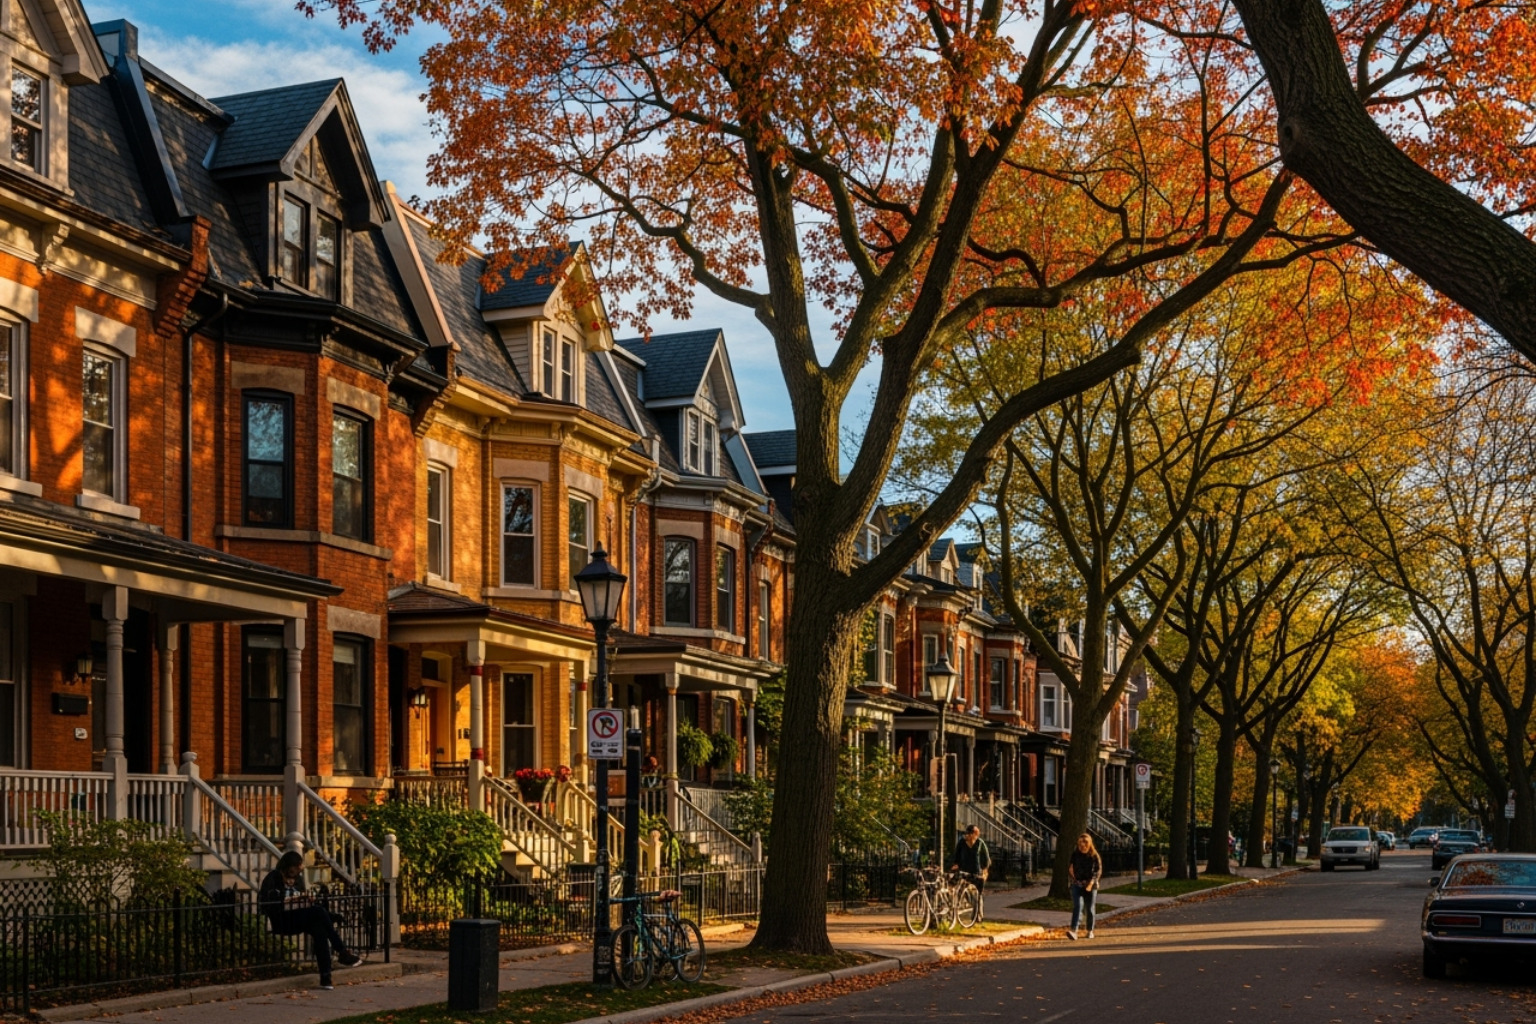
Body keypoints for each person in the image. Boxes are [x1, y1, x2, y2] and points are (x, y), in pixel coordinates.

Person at [258, 850, 365, 989]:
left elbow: (305, 902)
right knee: (318, 912)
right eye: (294, 867)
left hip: (299, 917)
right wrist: (290, 900)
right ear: (287, 866)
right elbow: (268, 904)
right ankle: (342, 952)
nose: (296, 871)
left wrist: (324, 911)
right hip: (281, 919)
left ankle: (326, 978)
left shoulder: (299, 880)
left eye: (298, 868)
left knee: (320, 930)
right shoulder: (273, 878)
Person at [1067, 832, 1102, 940]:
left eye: (1085, 843)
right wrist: (1073, 878)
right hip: (1077, 884)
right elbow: (1071, 867)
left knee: (1090, 908)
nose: (1082, 846)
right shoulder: (1075, 854)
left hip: (1090, 884)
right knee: (1078, 906)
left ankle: (1090, 930)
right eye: (1080, 843)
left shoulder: (1094, 855)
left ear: (1089, 844)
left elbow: (1097, 871)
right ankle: (1074, 930)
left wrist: (1091, 883)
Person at [949, 824, 992, 890]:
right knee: (959, 888)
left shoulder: (980, 842)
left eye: (969, 834)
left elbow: (986, 857)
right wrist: (955, 864)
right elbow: (956, 855)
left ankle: (979, 898)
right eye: (966, 834)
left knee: (979, 887)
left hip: (976, 871)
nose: (967, 836)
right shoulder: (961, 842)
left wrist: (985, 869)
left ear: (974, 835)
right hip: (963, 871)